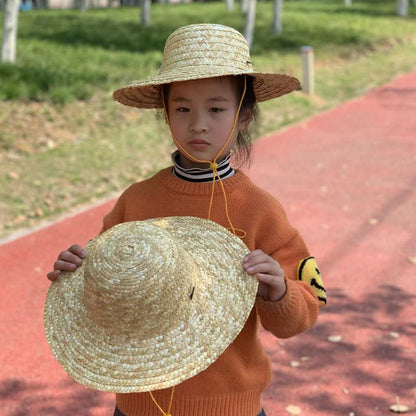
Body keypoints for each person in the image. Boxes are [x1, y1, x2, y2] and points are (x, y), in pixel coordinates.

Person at [46, 23, 326, 416]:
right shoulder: (136, 200)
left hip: (231, 408)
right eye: (182, 109)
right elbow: (108, 294)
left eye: (215, 109)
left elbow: (307, 306)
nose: (198, 124)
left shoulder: (260, 209)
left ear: (244, 115)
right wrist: (77, 276)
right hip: (137, 405)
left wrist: (279, 292)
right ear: (165, 113)